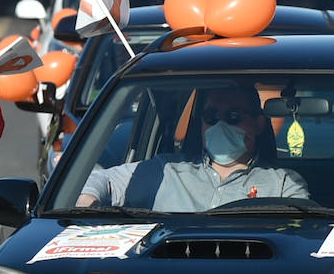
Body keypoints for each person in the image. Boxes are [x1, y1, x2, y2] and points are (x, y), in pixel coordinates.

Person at [78, 83, 310, 210]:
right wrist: (87, 200)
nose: (219, 124)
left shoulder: (282, 184)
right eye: (210, 116)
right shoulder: (165, 171)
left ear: (259, 124)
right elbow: (102, 180)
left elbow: (301, 229)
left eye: (232, 116)